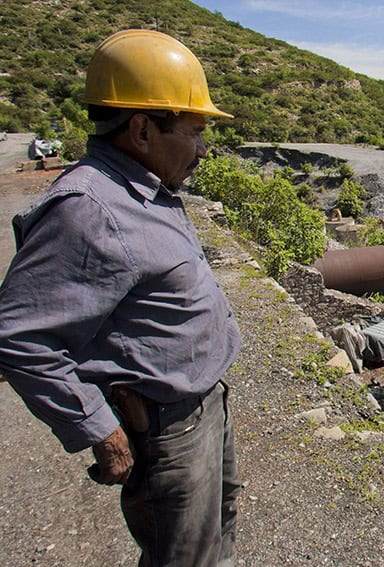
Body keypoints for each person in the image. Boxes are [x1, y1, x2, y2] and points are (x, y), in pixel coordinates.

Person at [0, 29, 242, 566]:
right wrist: (99, 428)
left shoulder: (146, 186)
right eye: (195, 130)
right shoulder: (89, 209)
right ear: (141, 129)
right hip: (167, 428)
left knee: (216, 540)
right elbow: (18, 336)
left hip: (202, 405)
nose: (203, 149)